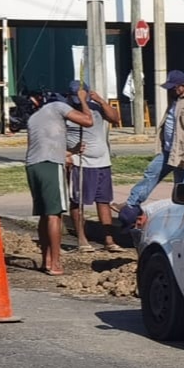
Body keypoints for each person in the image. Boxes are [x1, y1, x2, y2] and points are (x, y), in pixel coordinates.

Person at [115, 70, 184, 228]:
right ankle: (131, 204)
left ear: (182, 86)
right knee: (151, 173)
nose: (170, 90)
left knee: (183, 188)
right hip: (168, 150)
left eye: (173, 87)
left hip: (183, 154)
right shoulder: (177, 98)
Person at [26, 86, 96, 275]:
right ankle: (56, 263)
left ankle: (46, 260)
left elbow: (45, 145)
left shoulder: (35, 118)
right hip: (50, 165)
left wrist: (71, 151)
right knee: (54, 214)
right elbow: (88, 121)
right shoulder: (58, 106)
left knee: (44, 214)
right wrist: (83, 101)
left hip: (33, 166)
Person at [65, 80, 122, 252]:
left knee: (103, 200)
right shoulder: (66, 110)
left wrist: (101, 101)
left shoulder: (96, 108)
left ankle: (109, 240)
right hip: (81, 163)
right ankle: (82, 239)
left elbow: (116, 118)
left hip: (102, 162)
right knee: (78, 201)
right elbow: (86, 120)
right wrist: (82, 101)